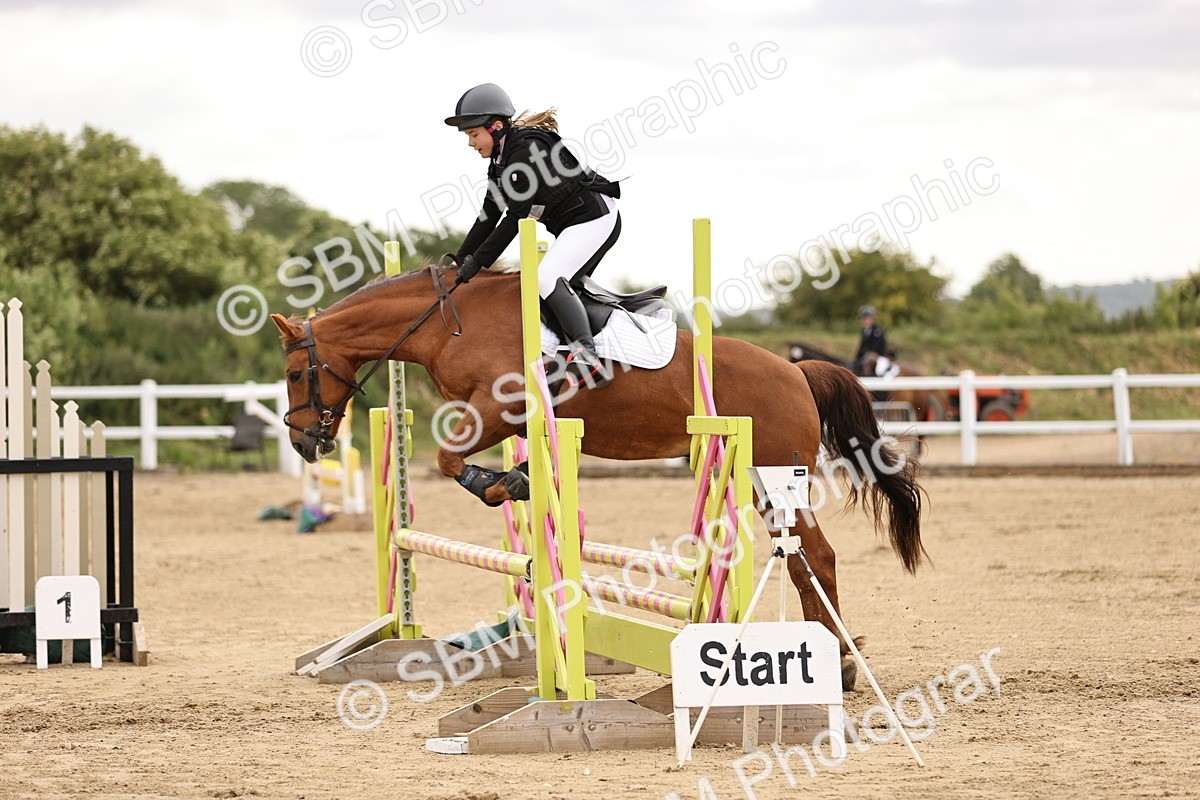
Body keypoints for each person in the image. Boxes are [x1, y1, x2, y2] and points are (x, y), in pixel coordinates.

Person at [446, 83, 622, 390]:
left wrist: (477, 264)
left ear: (495, 126)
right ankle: (566, 357)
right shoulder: (499, 164)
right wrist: (460, 260)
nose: (471, 143)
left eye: (473, 134)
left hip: (595, 219)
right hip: (574, 225)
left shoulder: (525, 151)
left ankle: (588, 355)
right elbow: (488, 216)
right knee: (550, 291)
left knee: (546, 278)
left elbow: (515, 218)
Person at [854, 305, 899, 378]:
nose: (863, 321)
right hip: (868, 357)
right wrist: (856, 360)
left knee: (879, 369)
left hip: (879, 357)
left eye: (866, 318)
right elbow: (861, 347)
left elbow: (876, 347)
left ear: (872, 318)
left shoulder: (877, 331)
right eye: (863, 319)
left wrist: (869, 355)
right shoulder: (864, 331)